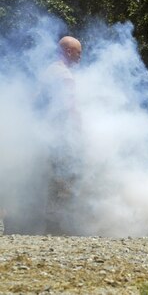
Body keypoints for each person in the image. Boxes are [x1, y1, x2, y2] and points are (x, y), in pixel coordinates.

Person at [40, 36, 83, 235]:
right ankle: (57, 228)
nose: (80, 57)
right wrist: (78, 131)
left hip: (46, 133)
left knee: (49, 178)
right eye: (78, 53)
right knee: (64, 178)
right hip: (61, 135)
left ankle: (46, 223)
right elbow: (69, 107)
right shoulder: (65, 75)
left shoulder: (48, 71)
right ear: (68, 51)